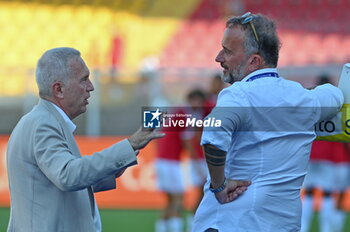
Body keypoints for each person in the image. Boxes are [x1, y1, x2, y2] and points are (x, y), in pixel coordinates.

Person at [192, 12, 344, 232]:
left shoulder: (237, 95)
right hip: (283, 224)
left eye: (227, 50)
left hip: (231, 221)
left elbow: (213, 136)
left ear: (254, 61)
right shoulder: (305, 99)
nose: (218, 57)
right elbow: (335, 95)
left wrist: (219, 185)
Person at [6, 47, 164, 232]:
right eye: (83, 79)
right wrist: (129, 145)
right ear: (59, 89)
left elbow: (62, 184)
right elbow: (68, 176)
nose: (91, 86)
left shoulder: (44, 121)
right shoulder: (43, 124)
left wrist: (116, 166)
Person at [155, 89, 209, 232]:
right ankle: (177, 228)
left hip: (163, 160)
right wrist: (198, 163)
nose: (197, 103)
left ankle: (161, 228)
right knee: (179, 198)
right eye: (195, 100)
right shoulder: (184, 114)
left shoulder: (177, 111)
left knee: (171, 201)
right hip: (171, 161)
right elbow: (188, 142)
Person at [301, 74, 350, 232]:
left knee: (308, 193)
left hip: (311, 155)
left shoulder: (309, 103)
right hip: (330, 157)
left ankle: (303, 228)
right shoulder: (338, 104)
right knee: (328, 194)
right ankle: (326, 229)